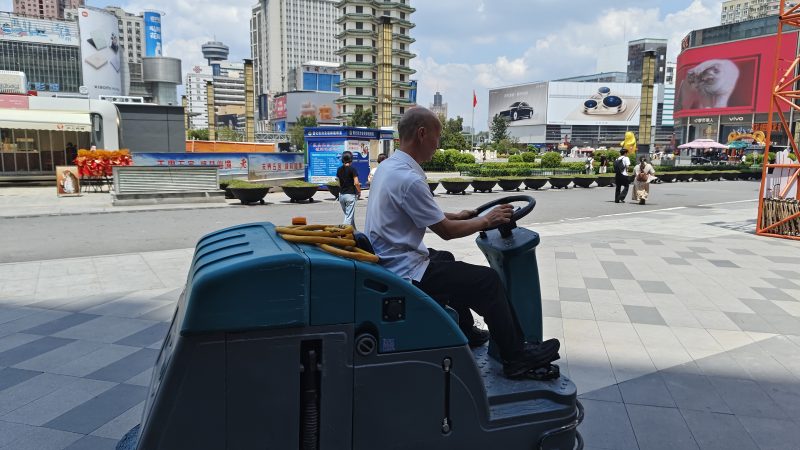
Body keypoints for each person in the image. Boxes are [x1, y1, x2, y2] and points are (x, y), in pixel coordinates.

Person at [364, 107, 559, 380]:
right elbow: (446, 231)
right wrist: (486, 221)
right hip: (403, 270)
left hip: (390, 259)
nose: (438, 144)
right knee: (487, 281)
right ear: (422, 134)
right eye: (437, 136)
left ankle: (465, 330)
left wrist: (460, 215)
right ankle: (515, 357)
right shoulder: (407, 178)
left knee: (444, 258)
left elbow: (423, 214)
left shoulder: (390, 167)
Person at [336, 151, 360, 228]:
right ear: (351, 159)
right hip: (350, 195)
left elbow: (338, 183)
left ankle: (354, 232)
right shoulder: (353, 169)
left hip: (341, 195)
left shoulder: (339, 169)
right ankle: (342, 233)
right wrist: (359, 191)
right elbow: (356, 183)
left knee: (348, 215)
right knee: (348, 217)